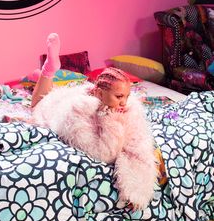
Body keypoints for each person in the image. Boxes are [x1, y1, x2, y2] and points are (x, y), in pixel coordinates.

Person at [31, 33, 157, 210]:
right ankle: (49, 70)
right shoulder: (80, 109)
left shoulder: (128, 108)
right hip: (57, 107)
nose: (124, 102)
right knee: (37, 104)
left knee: (44, 97)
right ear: (99, 93)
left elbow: (138, 145)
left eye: (127, 96)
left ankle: (48, 71)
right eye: (119, 96)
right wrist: (109, 120)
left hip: (71, 97)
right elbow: (103, 154)